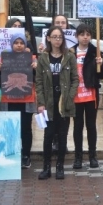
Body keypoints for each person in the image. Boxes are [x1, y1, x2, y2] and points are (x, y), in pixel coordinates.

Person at [34, 26, 78, 180]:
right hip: (48, 101)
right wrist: (41, 102)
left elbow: (75, 79)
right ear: (48, 38)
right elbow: (38, 82)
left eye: (60, 37)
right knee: (48, 135)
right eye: (54, 37)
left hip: (63, 102)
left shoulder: (69, 57)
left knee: (62, 135)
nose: (57, 40)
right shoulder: (43, 58)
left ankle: (60, 166)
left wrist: (70, 96)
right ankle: (46, 167)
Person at [0, 30, 37, 169]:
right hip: (9, 99)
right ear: (11, 44)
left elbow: (37, 78)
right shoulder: (4, 58)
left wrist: (36, 68)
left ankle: (26, 155)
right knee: (10, 129)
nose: (19, 46)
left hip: (26, 99)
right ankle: (11, 154)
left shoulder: (32, 58)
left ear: (25, 44)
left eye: (21, 43)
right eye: (16, 43)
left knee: (26, 129)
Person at [70, 23, 103, 169]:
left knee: (91, 126)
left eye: (88, 34)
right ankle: (78, 157)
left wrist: (101, 64)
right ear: (77, 36)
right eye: (82, 34)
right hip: (76, 96)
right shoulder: (70, 52)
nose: (85, 37)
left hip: (91, 95)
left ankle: (93, 156)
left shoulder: (95, 51)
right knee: (77, 126)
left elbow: (102, 75)